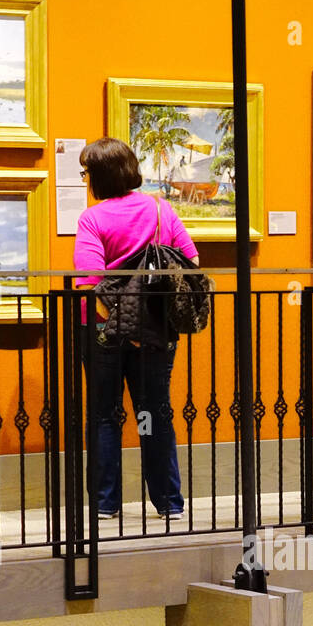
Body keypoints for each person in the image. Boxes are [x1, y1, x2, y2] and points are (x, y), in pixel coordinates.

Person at [73, 137, 199, 521]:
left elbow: (87, 282)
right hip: (154, 332)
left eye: (86, 172)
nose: (85, 178)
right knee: (154, 413)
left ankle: (106, 503)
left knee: (106, 414)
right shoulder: (161, 210)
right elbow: (190, 261)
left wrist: (114, 324)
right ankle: (169, 502)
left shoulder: (92, 218)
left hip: (102, 333)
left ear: (99, 176)